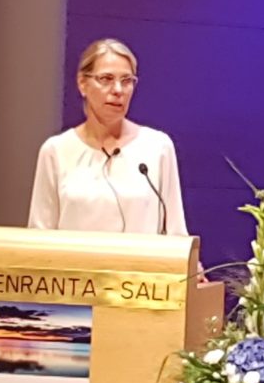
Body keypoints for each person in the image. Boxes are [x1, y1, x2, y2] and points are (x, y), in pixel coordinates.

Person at [27, 38, 190, 241]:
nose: (118, 90)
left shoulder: (157, 147)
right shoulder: (56, 150)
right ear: (82, 83)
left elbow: (176, 235)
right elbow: (39, 236)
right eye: (106, 79)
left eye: (127, 81)